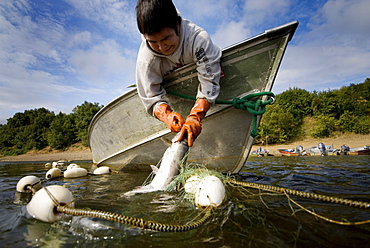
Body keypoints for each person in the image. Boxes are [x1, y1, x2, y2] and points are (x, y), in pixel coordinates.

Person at [135, 0, 222, 147]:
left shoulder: (198, 39)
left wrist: (195, 116)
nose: (161, 47)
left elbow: (209, 81)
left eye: (166, 38)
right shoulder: (145, 61)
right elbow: (150, 96)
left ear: (177, 25)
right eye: (153, 42)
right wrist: (166, 115)